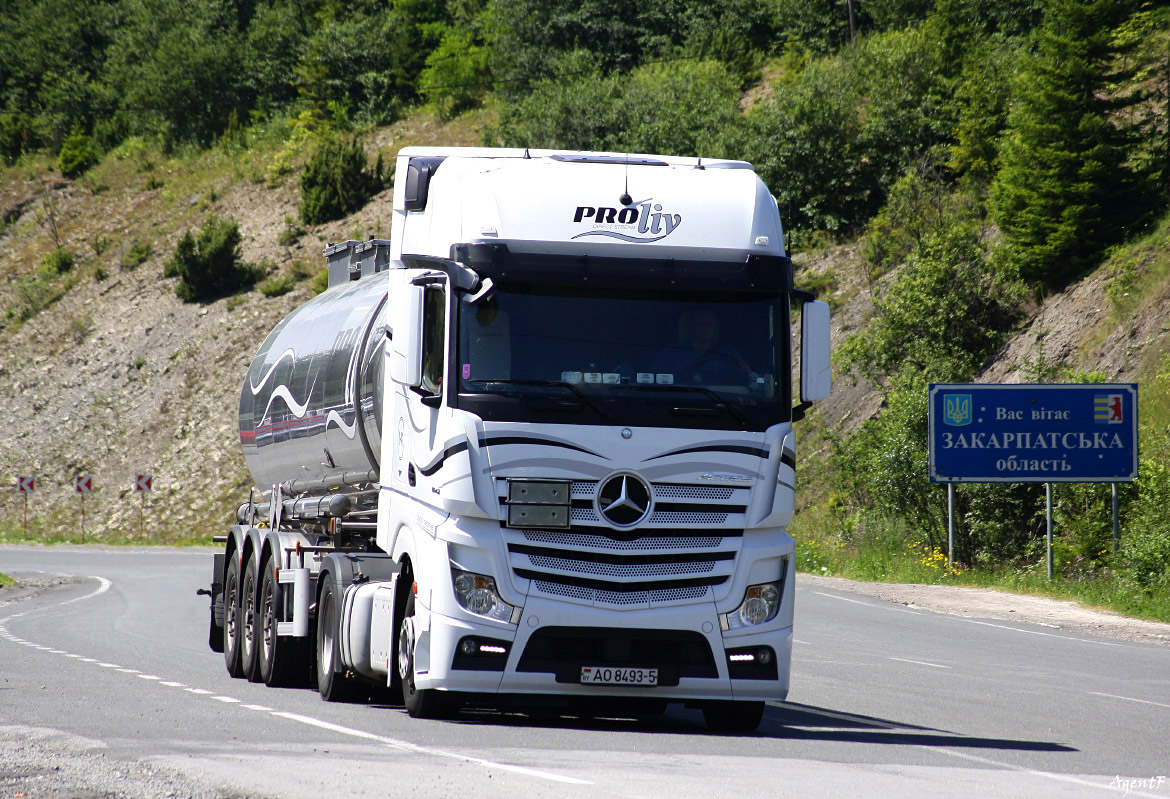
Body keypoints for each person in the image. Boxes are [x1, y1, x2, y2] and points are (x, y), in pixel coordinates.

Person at [652, 309, 750, 385]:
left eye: (709, 323)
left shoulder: (729, 353)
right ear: (691, 327)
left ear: (715, 328)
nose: (704, 328)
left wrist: (746, 372)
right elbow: (655, 377)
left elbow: (744, 380)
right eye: (699, 323)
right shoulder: (672, 353)